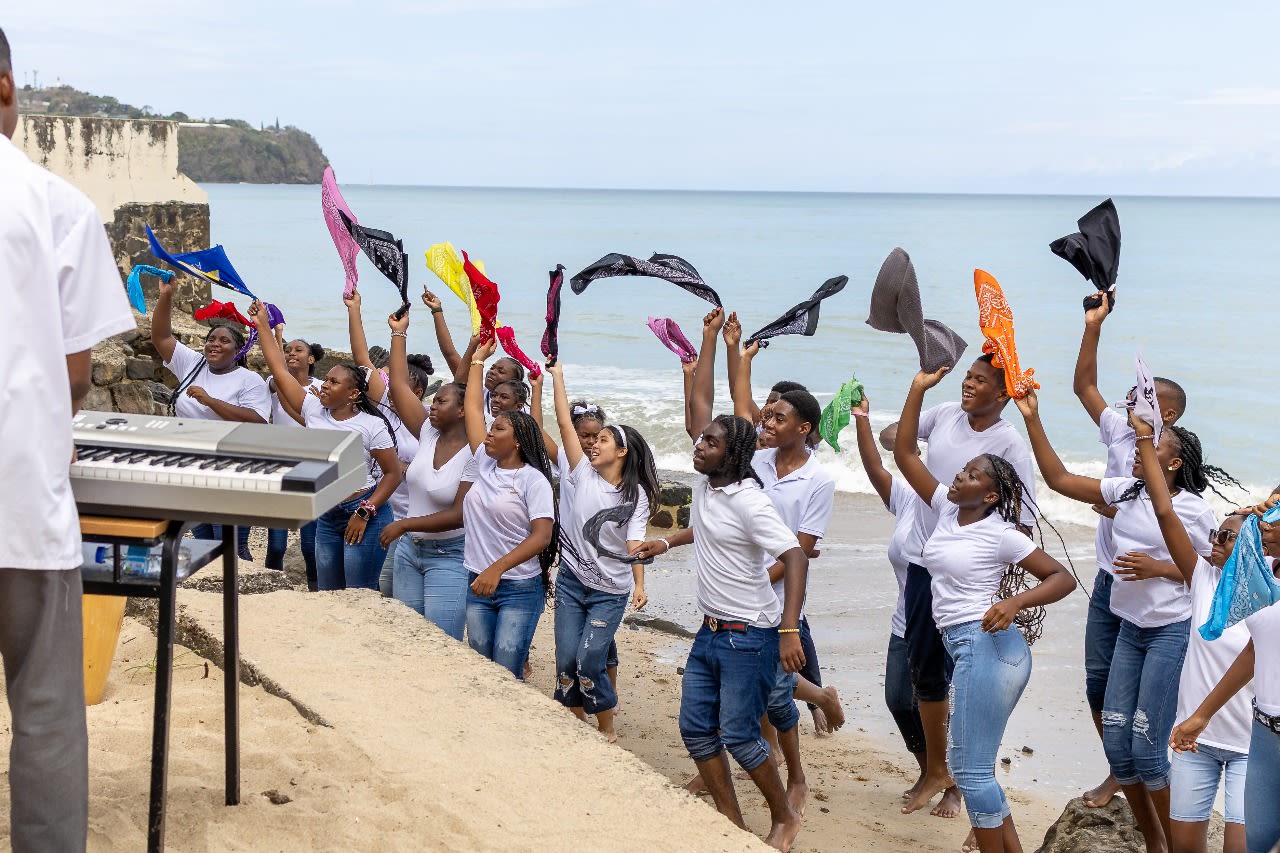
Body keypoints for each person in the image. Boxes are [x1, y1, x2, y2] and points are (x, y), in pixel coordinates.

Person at [1, 25, 138, 849]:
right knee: (47, 716)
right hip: (20, 502)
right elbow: (78, 370)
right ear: (7, 90)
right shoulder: (57, 207)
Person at [1018, 391, 1237, 853]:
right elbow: (1058, 479)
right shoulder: (1127, 491)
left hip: (1170, 631)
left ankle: (1181, 845)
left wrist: (1157, 568)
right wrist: (1034, 418)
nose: (1139, 450)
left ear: (1175, 464)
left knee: (1148, 751)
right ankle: (1155, 840)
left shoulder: (1193, 509)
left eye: (1152, 446)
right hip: (1129, 627)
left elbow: (1208, 575)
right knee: (1118, 745)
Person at [898, 369, 1075, 853]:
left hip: (988, 648)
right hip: (970, 646)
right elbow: (905, 453)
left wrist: (1014, 602)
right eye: (962, 470)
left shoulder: (1001, 532)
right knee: (974, 769)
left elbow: (1063, 578)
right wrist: (918, 389)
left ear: (992, 496)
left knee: (971, 772)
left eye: (973, 475)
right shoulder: (947, 508)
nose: (960, 476)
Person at [632, 414, 808, 851]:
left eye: (710, 442)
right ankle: (731, 822)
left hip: (751, 634)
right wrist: (667, 541)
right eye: (701, 439)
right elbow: (706, 527)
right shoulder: (705, 486)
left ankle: (784, 817)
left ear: (733, 455)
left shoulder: (752, 501)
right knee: (694, 728)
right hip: (710, 630)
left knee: (740, 734)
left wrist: (790, 630)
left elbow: (796, 556)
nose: (699, 446)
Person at [1072, 291, 1189, 809]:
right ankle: (1118, 770)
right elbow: (1083, 386)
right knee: (1100, 687)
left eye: (1137, 398)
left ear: (1164, 412)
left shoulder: (1169, 456)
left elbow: (1193, 551)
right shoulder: (1121, 432)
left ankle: (1140, 775)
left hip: (1157, 596)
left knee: (1145, 703)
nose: (1124, 404)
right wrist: (1093, 324)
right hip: (1109, 579)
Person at [1125, 416, 1250, 853]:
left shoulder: (1270, 600)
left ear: (1254, 549)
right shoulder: (1202, 580)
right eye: (1217, 533)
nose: (1215, 541)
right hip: (1195, 742)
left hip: (1252, 748)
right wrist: (1144, 438)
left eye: (1229, 538)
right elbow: (1164, 510)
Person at [250, 301, 401, 591]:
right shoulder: (313, 409)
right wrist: (262, 326)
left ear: (353, 393)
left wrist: (365, 511)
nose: (325, 385)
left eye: (334, 382)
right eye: (327, 379)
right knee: (329, 592)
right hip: (327, 512)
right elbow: (279, 371)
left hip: (363, 511)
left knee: (359, 593)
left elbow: (393, 474)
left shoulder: (372, 425)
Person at [544, 361, 658, 741]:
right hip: (573, 580)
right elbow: (563, 425)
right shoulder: (580, 472)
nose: (593, 444)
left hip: (610, 590)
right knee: (565, 659)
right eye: (591, 440)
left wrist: (640, 583)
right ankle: (576, 724)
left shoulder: (635, 494)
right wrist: (557, 378)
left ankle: (606, 728)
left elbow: (633, 542)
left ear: (622, 451)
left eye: (603, 440)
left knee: (590, 658)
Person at [462, 339, 558, 679]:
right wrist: (476, 361)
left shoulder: (534, 481)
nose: (488, 435)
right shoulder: (483, 465)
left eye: (498, 430)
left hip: (518, 587)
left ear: (517, 440)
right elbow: (473, 410)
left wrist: (497, 569)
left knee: (505, 673)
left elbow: (542, 536)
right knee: (480, 667)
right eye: (490, 429)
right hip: (476, 581)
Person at [379, 310, 474, 640]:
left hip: (450, 556)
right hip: (409, 550)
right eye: (432, 400)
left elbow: (459, 514)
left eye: (441, 401)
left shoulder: (476, 452)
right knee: (410, 639)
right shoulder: (428, 434)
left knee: (442, 643)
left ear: (463, 410)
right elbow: (398, 386)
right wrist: (398, 333)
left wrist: (404, 523)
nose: (432, 405)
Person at [853, 394, 929, 801]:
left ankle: (952, 783)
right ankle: (932, 770)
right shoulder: (908, 498)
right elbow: (876, 465)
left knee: (940, 707)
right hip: (905, 621)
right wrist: (863, 418)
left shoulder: (954, 501)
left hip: (950, 625)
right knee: (900, 700)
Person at [1172, 575, 1280, 853]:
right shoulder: (1261, 570)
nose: (1264, 529)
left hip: (1255, 741)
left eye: (1271, 526)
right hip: (1256, 731)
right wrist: (1201, 715)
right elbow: (1253, 650)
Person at [265, 337, 324, 585]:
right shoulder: (274, 383)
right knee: (277, 546)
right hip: (280, 471)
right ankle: (270, 588)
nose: (291, 354)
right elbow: (276, 365)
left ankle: (315, 591)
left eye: (298, 350)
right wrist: (276, 335)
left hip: (312, 472)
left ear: (311, 359)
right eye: (288, 350)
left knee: (310, 547)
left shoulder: (322, 387)